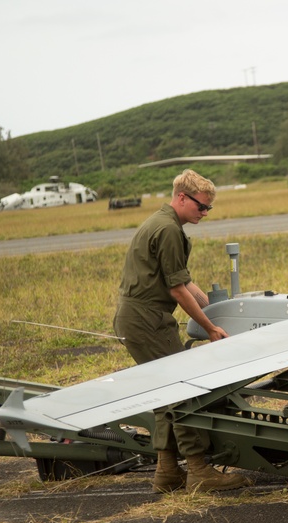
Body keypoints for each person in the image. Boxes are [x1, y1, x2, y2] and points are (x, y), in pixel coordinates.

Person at [113, 169, 252, 493]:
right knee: (183, 390)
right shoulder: (168, 230)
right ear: (181, 198)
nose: (204, 213)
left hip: (141, 317)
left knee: (166, 394)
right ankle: (199, 470)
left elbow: (184, 281)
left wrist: (217, 307)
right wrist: (210, 327)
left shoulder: (163, 224)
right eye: (201, 207)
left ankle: (167, 472)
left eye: (208, 209)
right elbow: (177, 290)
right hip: (146, 320)